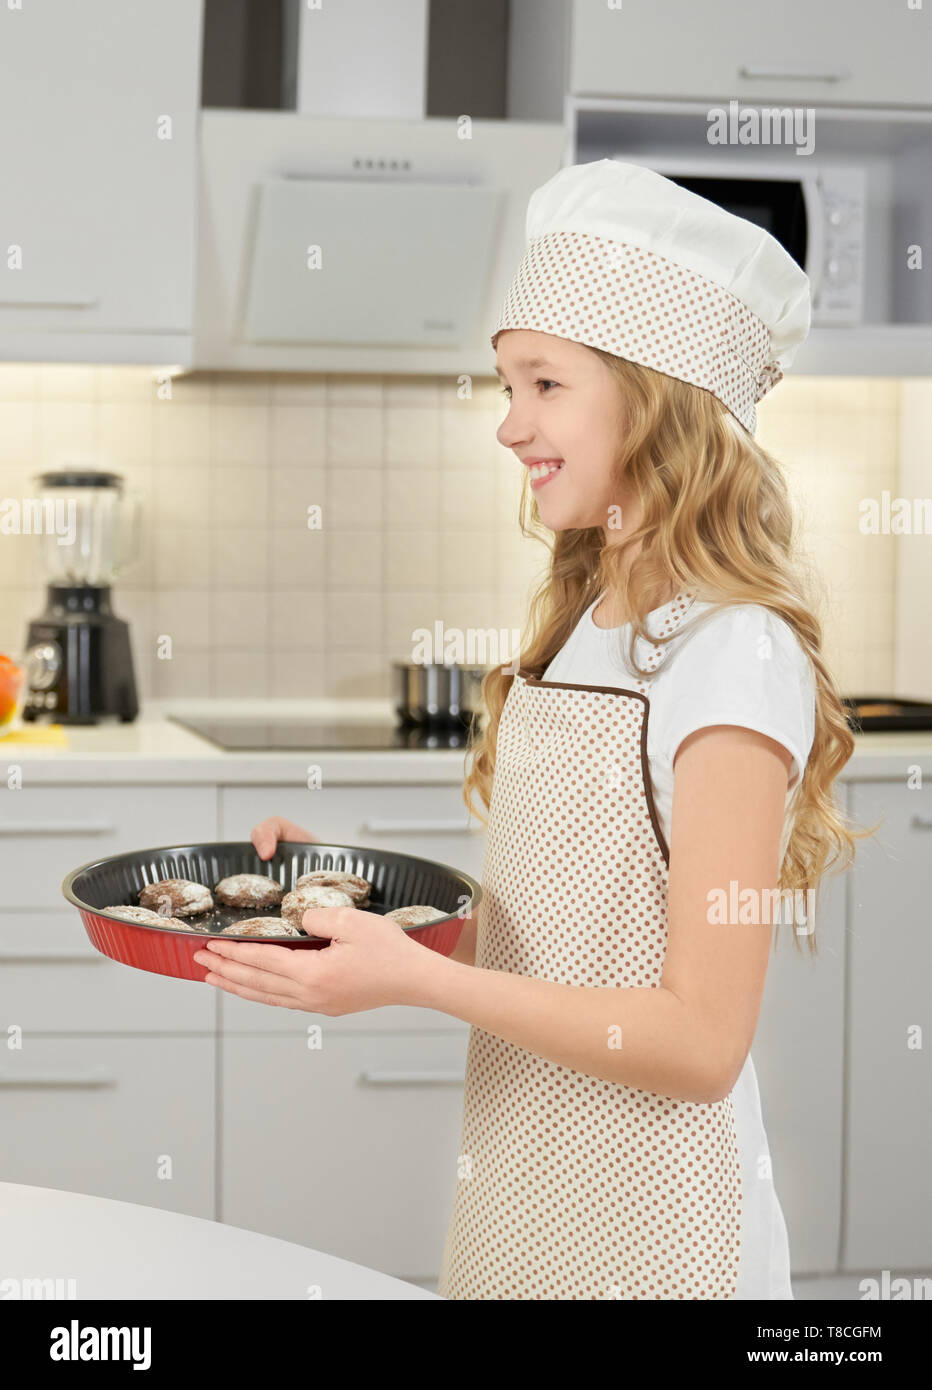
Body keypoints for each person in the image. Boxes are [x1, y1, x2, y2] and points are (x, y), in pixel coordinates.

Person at [192, 159, 860, 1300]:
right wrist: (357, 903)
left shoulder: (731, 651)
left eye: (543, 383)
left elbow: (699, 1044)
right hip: (524, 1167)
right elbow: (573, 927)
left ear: (656, 394)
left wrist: (413, 982)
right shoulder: (586, 618)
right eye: (507, 384)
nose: (509, 424)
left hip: (653, 1215)